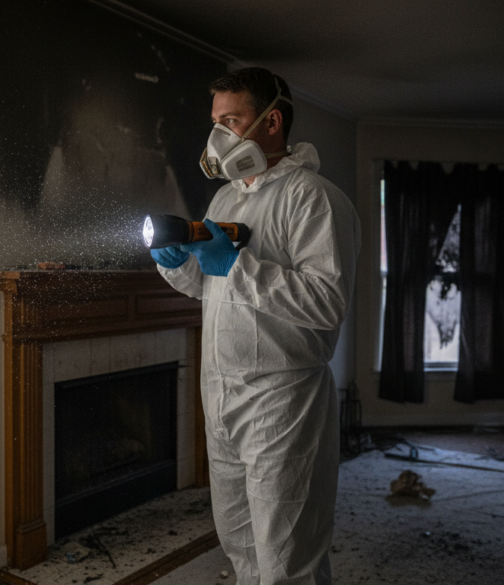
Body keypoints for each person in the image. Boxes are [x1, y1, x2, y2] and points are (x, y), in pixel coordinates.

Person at [151, 67, 361, 585]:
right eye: (215, 121)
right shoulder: (225, 198)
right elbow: (211, 287)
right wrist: (177, 262)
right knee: (240, 542)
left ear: (271, 122)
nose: (219, 134)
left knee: (287, 552)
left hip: (281, 396)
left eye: (231, 120)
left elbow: (327, 301)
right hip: (221, 390)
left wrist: (238, 267)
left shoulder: (313, 197)